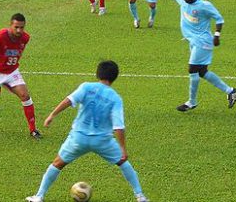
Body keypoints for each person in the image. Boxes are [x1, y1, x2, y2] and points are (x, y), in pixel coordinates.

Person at [24, 61, 149, 202]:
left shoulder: (86, 87)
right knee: (123, 163)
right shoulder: (115, 98)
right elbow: (118, 127)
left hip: (78, 138)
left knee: (57, 164)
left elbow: (68, 100)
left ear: (98, 74)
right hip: (103, 141)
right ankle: (140, 196)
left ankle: (39, 196)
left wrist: (52, 115)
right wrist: (122, 149)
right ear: (115, 77)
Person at [172, 0, 236, 112]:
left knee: (192, 69)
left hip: (203, 42)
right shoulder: (183, 2)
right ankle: (231, 91)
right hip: (193, 42)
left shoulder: (204, 5)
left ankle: (192, 102)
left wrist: (217, 35)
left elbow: (219, 19)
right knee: (202, 72)